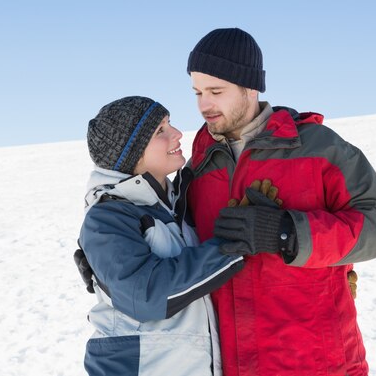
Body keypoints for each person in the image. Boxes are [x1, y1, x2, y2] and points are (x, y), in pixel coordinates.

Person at [185, 28, 376, 376]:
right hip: (231, 365)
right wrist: (111, 253)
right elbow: (171, 234)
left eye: (216, 91)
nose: (203, 105)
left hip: (320, 363)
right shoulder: (200, 164)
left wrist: (287, 232)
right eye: (197, 92)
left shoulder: (318, 148)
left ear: (249, 87)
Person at [77, 96, 249, 376]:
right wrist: (233, 245)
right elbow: (146, 295)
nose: (177, 134)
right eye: (160, 131)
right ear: (131, 153)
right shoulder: (107, 218)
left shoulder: (177, 203)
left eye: (169, 124)